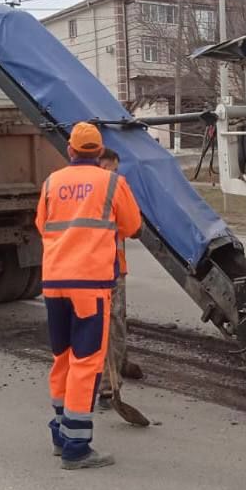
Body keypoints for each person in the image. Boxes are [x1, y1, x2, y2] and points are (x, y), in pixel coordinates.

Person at [36, 122, 142, 470]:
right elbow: (132, 226)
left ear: (70, 150)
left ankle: (60, 433)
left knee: (63, 358)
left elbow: (41, 225)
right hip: (89, 286)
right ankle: (77, 447)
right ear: (99, 152)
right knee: (86, 362)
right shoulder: (112, 182)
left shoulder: (51, 182)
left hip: (54, 282)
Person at [97, 147, 144, 410]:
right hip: (108, 267)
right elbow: (134, 227)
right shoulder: (114, 184)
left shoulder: (59, 182)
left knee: (82, 325)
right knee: (112, 323)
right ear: (107, 164)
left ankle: (83, 384)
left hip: (71, 269)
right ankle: (108, 388)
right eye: (113, 168)